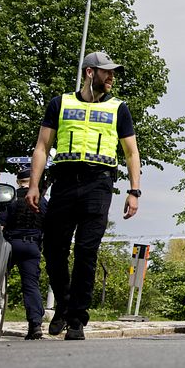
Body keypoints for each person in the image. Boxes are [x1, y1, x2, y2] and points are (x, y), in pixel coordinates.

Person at [25, 51, 142, 341]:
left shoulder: (119, 108)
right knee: (53, 249)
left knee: (86, 252)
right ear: (90, 73)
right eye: (106, 72)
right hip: (64, 182)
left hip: (99, 184)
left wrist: (134, 191)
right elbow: (42, 146)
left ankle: (77, 318)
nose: (111, 77)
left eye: (113, 72)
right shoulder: (59, 103)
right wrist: (34, 185)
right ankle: (63, 305)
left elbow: (131, 152)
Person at [0, 169, 48, 340]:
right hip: (32, 247)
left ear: (18, 182)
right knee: (30, 286)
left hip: (10, 245)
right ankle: (35, 325)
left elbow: (1, 226)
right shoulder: (42, 201)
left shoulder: (9, 199)